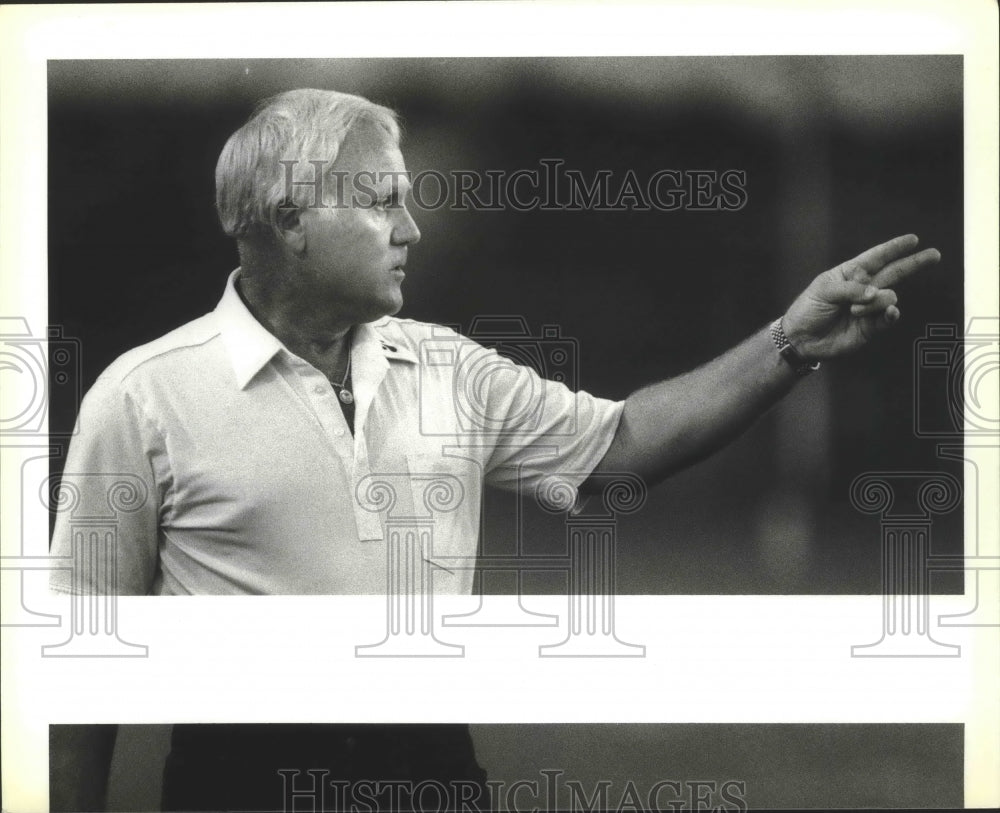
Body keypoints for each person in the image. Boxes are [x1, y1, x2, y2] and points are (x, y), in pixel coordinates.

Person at [48, 88, 941, 811]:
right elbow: (83, 665)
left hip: (437, 775)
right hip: (239, 789)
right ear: (290, 219)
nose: (412, 229)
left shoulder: (449, 367)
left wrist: (790, 340)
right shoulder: (143, 396)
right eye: (382, 202)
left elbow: (619, 445)